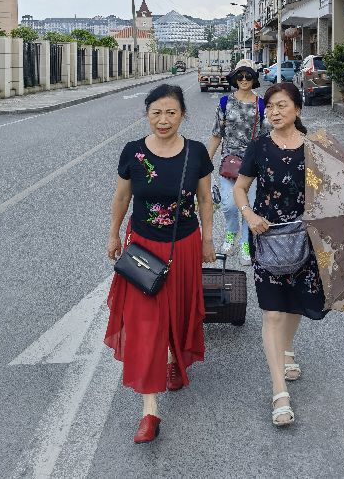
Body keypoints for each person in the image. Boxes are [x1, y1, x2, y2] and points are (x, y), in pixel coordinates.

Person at [105, 84, 216, 444]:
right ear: (147, 114)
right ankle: (149, 411)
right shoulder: (134, 153)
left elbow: (204, 200)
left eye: (170, 112)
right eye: (156, 112)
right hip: (142, 249)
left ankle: (175, 361)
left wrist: (208, 239)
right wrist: (113, 233)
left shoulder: (197, 153)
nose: (163, 120)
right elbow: (122, 196)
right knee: (145, 324)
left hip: (182, 245)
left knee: (179, 314)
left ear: (183, 114)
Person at [233, 81, 328, 427]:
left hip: (305, 238)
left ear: (297, 110)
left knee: (296, 302)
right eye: (270, 106)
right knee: (272, 312)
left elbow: (329, 191)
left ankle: (287, 348)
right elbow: (241, 188)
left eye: (282, 106)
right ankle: (279, 392)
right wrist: (250, 215)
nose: (274, 112)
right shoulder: (258, 146)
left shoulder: (316, 148)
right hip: (268, 236)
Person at [207, 59, 268, 265]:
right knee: (229, 206)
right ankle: (231, 232)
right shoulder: (225, 102)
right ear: (235, 78)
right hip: (229, 162)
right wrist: (205, 162)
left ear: (254, 78)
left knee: (248, 207)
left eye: (248, 75)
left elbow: (266, 137)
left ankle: (245, 243)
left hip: (253, 165)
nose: (244, 79)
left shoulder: (261, 104)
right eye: (240, 76)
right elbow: (217, 134)